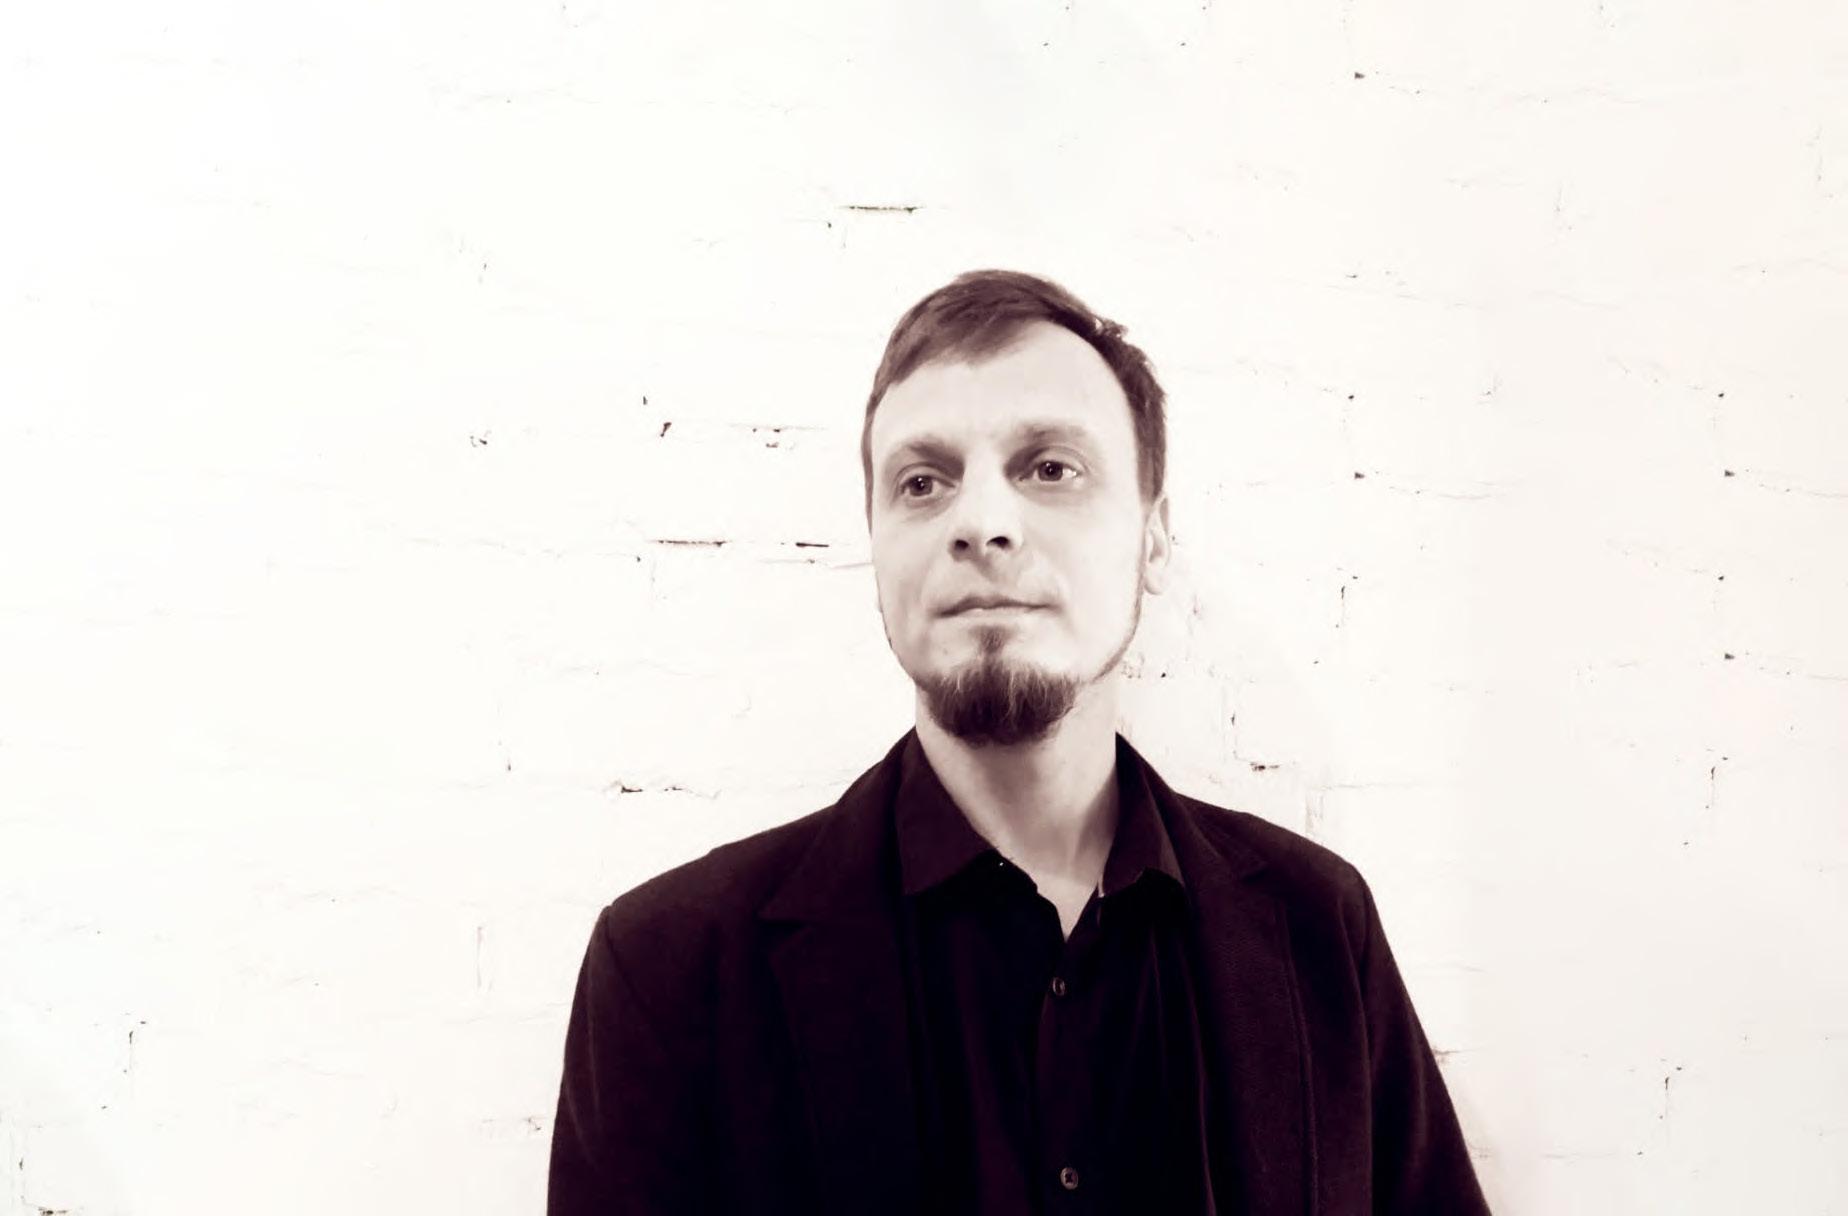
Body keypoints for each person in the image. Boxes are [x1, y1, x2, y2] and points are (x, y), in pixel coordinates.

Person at [547, 270, 1490, 1214]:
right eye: (922, 483)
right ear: (876, 544)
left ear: (1154, 540)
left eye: (1051, 469)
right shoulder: (669, 970)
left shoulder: (1320, 928)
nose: (983, 524)